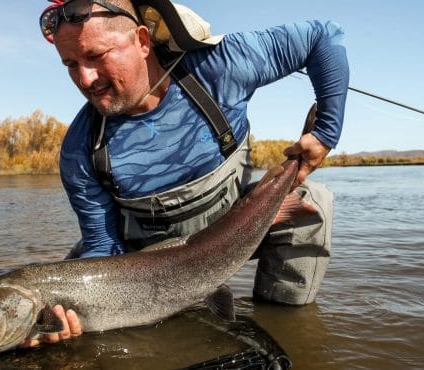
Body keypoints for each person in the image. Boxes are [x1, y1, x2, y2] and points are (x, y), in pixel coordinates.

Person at [23, 0, 349, 347]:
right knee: (66, 292)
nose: (85, 79)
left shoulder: (219, 66)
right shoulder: (80, 148)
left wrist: (326, 132)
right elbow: (103, 246)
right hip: (148, 264)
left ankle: (283, 331)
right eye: (71, 65)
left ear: (142, 41)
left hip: (238, 230)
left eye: (96, 56)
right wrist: (77, 313)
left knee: (314, 201)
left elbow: (323, 37)